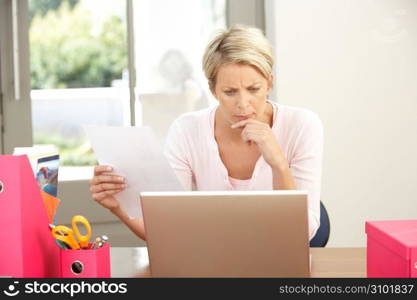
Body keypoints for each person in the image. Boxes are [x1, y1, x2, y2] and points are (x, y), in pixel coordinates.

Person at [89, 25, 323, 242]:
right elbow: (166, 231)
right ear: (212, 90)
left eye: (254, 89)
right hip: (209, 267)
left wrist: (279, 164)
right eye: (230, 92)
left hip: (278, 268)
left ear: (269, 83)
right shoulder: (187, 130)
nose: (243, 103)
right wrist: (117, 206)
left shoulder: (302, 125)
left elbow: (302, 234)